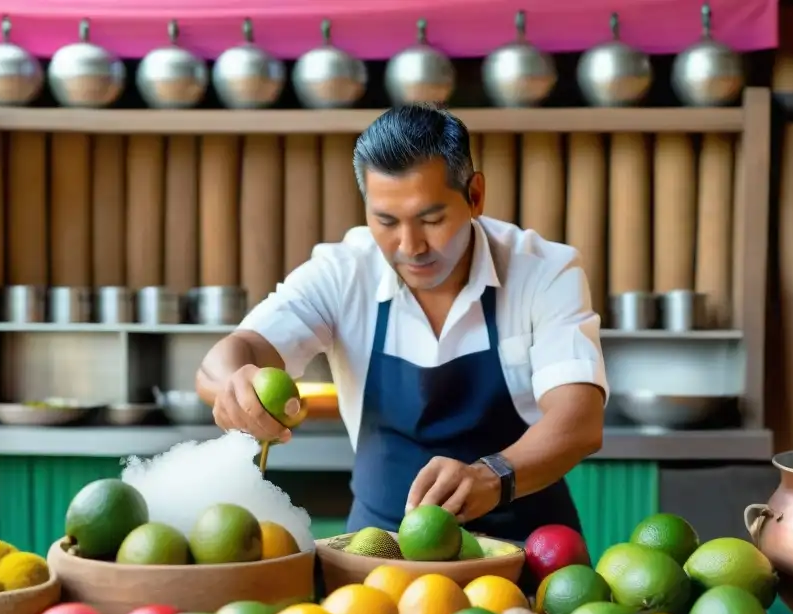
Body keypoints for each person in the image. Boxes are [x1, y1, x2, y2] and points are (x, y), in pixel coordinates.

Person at [196, 103, 608, 543]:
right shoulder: (344, 271)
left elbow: (578, 418)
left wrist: (492, 476)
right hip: (378, 555)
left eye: (431, 220)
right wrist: (233, 384)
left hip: (528, 551)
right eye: (386, 221)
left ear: (474, 196)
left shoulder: (543, 270)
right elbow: (237, 352)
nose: (411, 246)